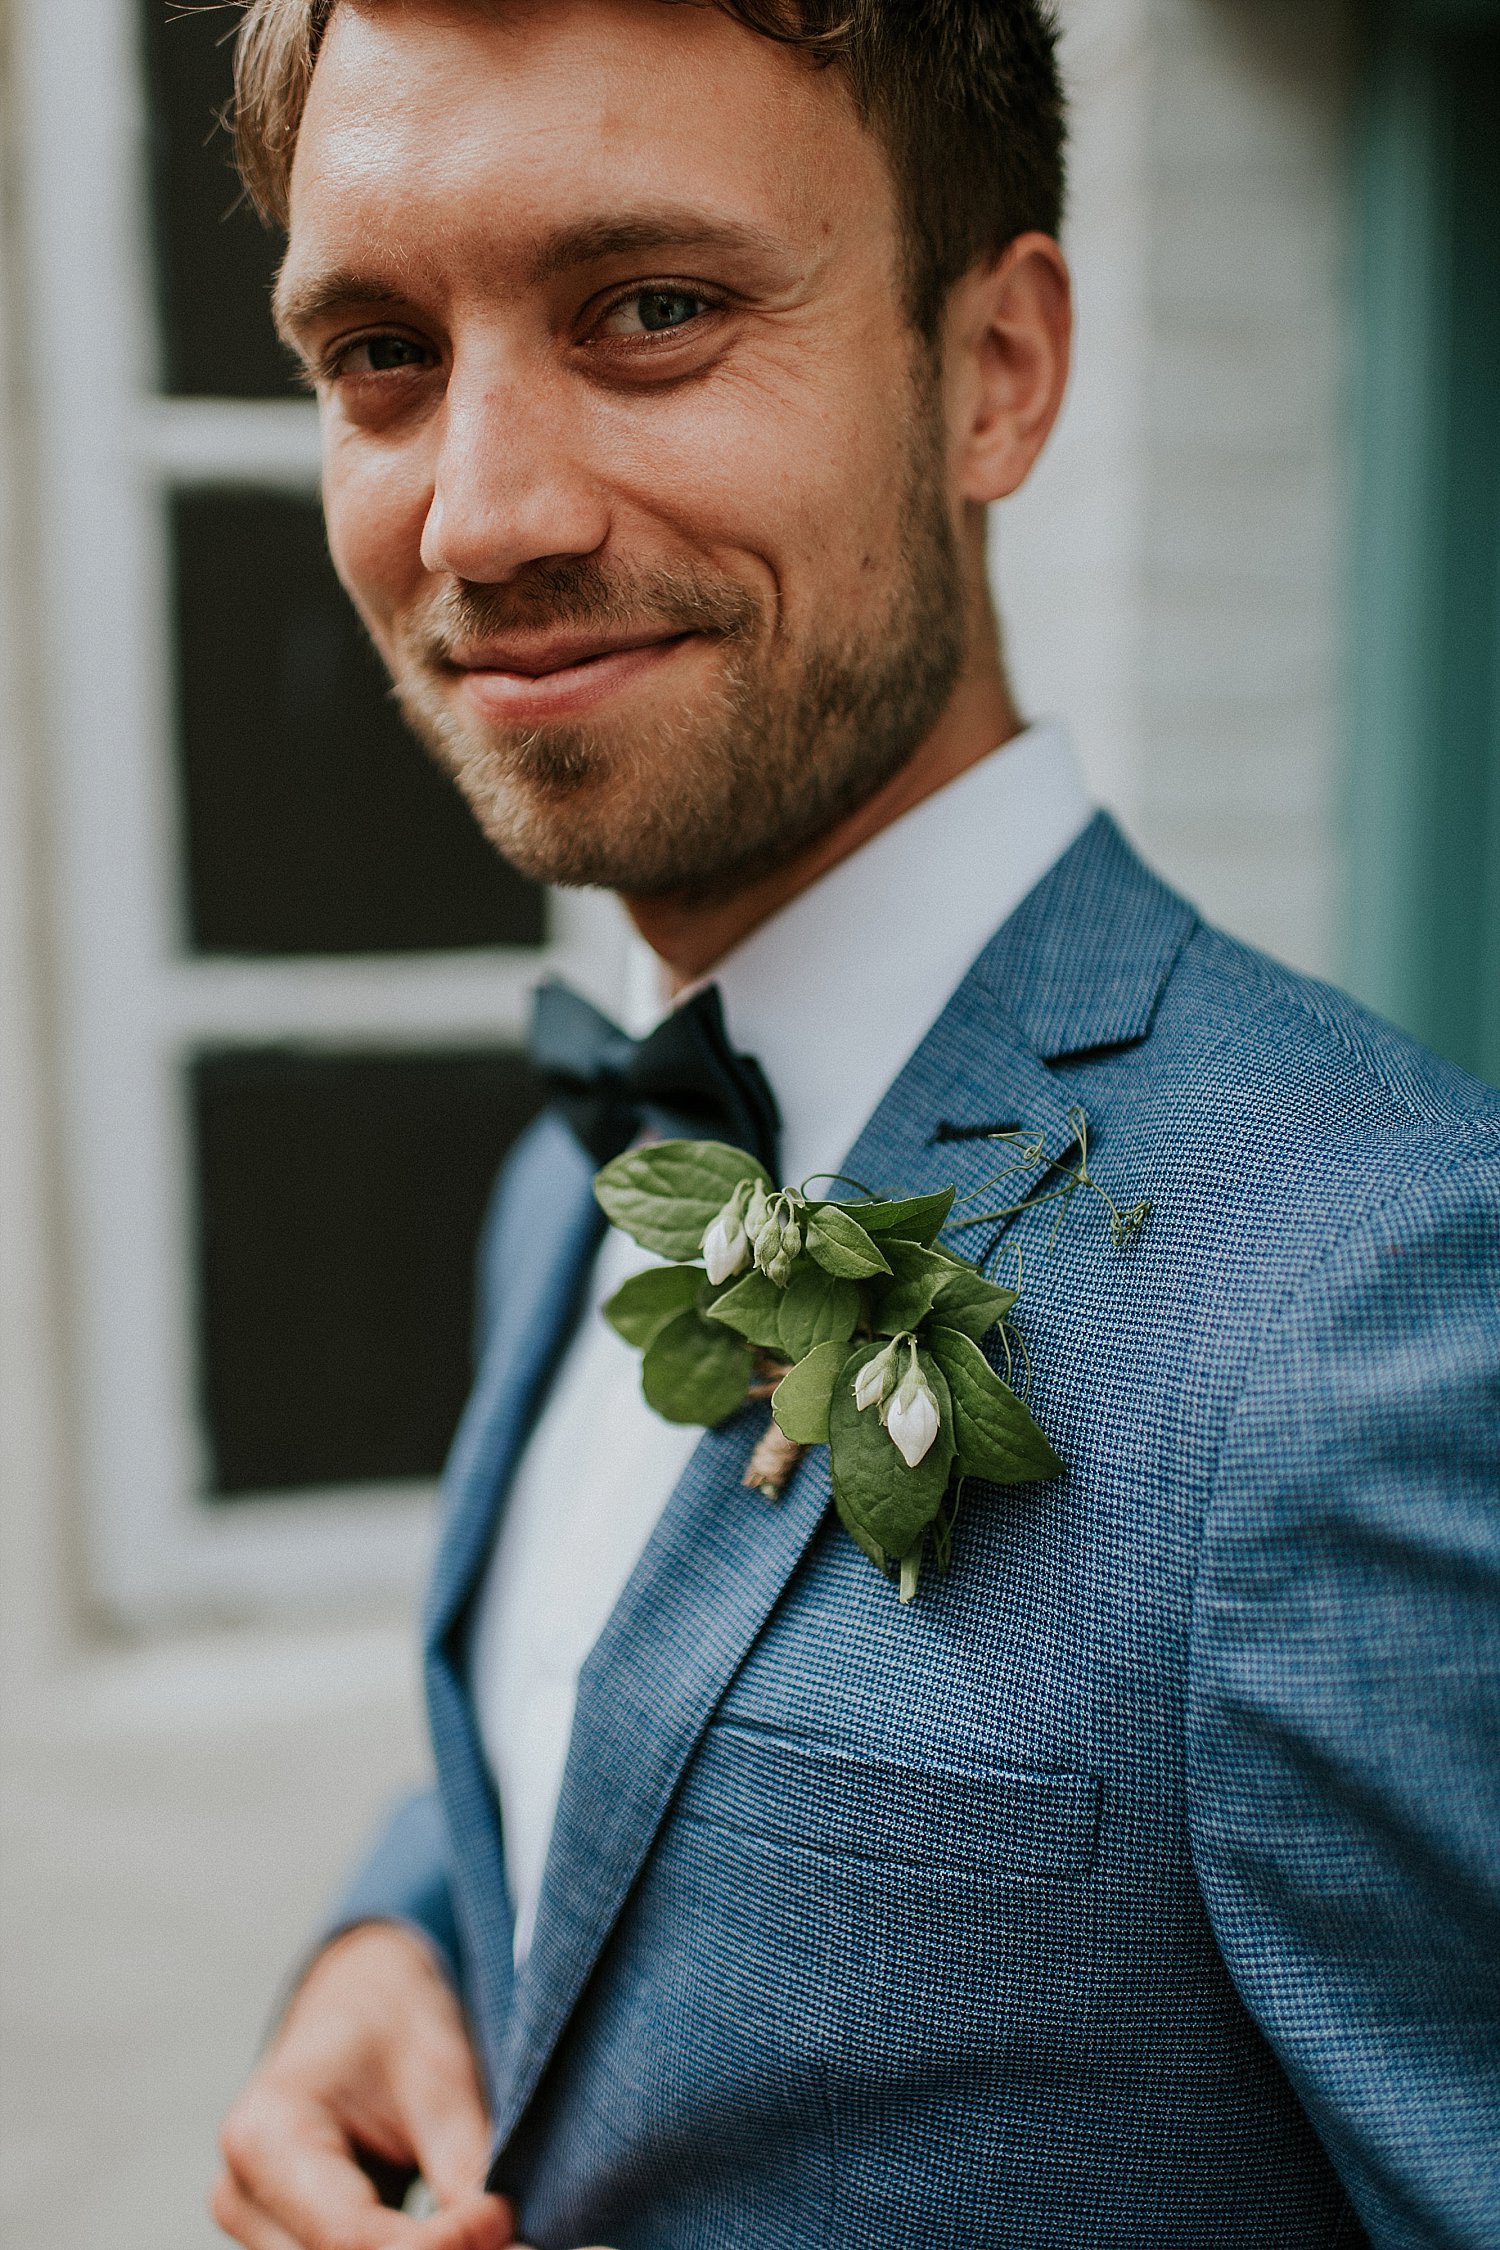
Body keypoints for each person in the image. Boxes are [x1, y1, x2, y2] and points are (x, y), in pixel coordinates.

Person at [209, 4, 1500, 2247]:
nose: (487, 513)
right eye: (384, 356)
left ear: (993, 366)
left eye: (655, 311)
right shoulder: (577, 1183)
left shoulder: (1393, 1314)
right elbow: (613, 1729)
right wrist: (393, 1944)